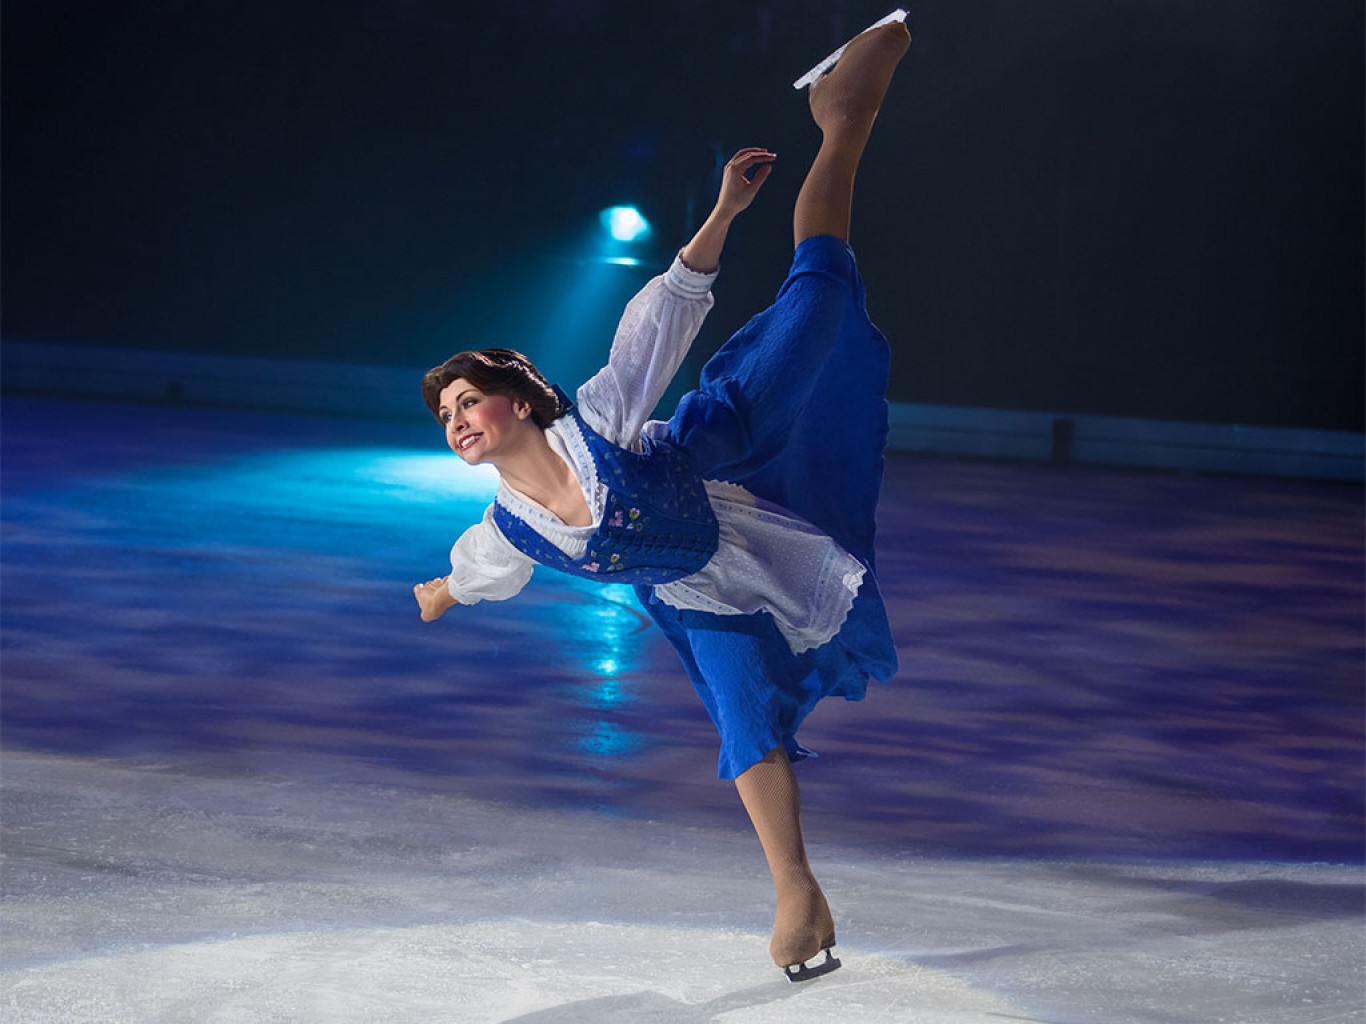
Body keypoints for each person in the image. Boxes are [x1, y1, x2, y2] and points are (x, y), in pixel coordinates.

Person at [414, 20, 911, 981]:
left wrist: (723, 209)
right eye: (444, 416)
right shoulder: (506, 528)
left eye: (468, 401)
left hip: (719, 447)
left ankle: (841, 117)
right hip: (694, 591)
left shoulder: (593, 418)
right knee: (745, 720)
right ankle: (798, 896)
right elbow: (471, 576)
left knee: (820, 295)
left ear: (515, 400)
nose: (457, 421)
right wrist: (436, 595)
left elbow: (667, 311)